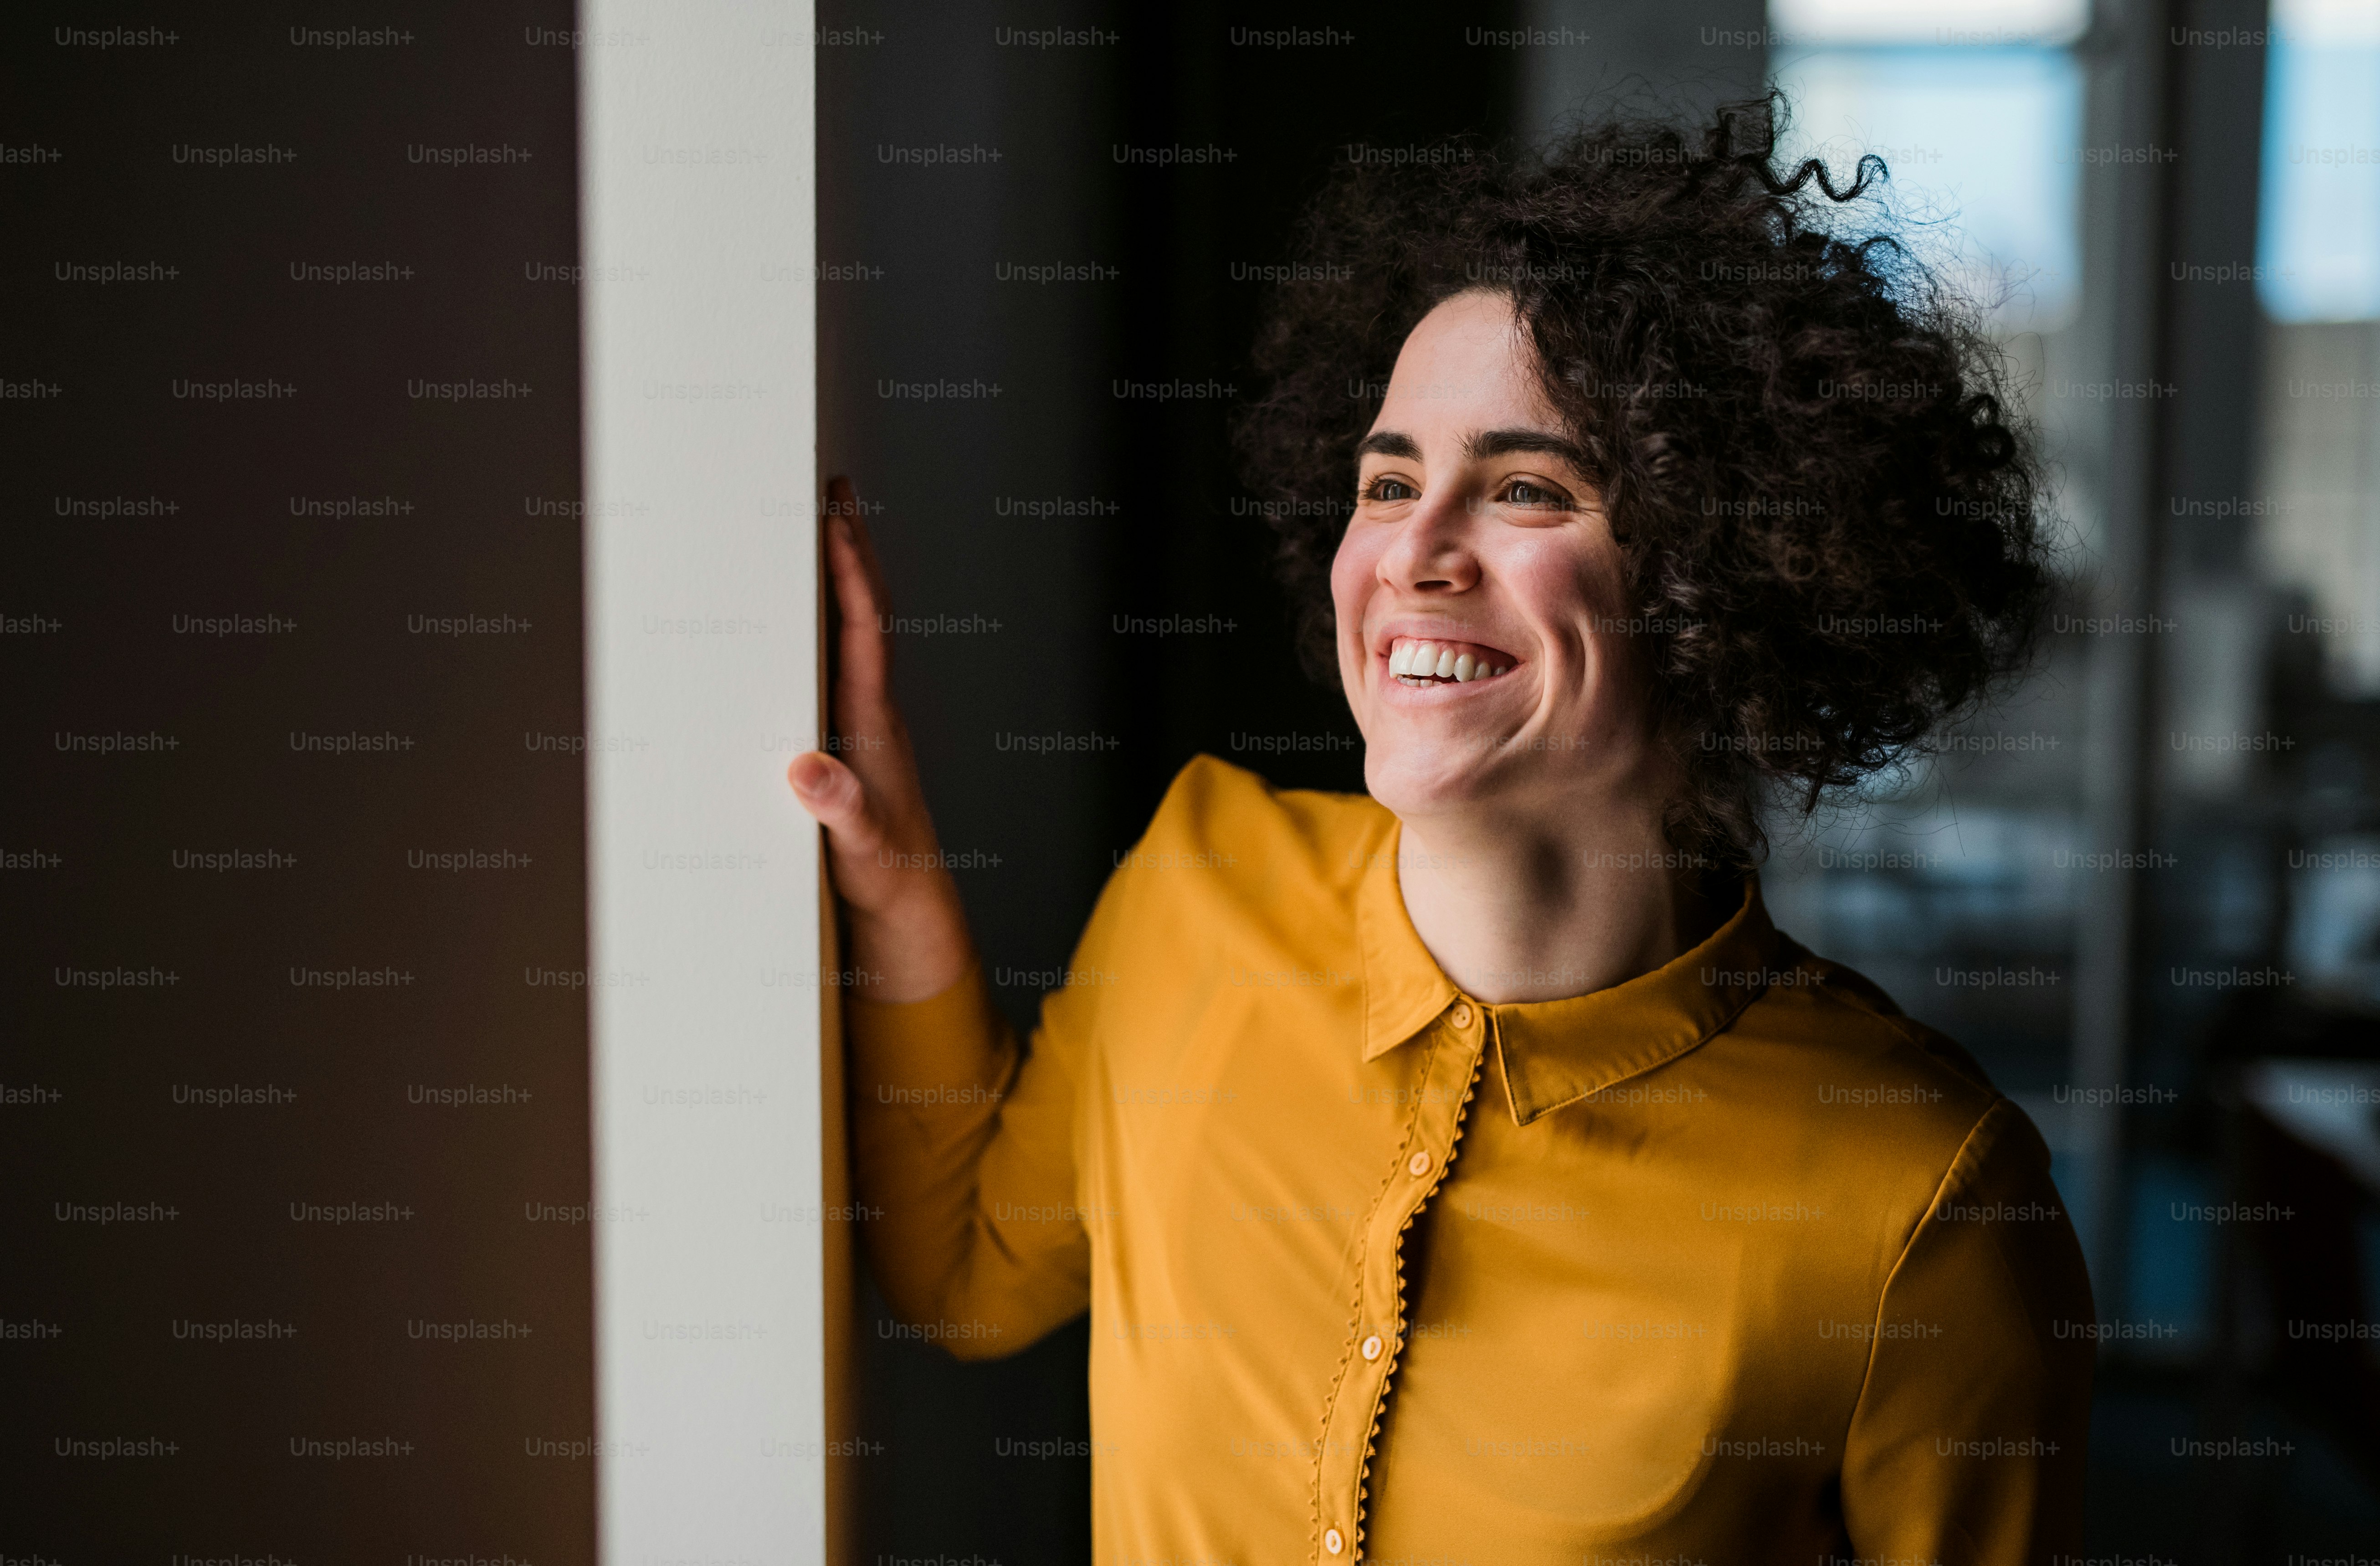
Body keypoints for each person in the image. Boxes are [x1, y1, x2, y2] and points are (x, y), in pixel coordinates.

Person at [790, 97, 2092, 1566]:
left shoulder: (1918, 1197)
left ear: (1724, 576)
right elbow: (971, 1272)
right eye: (1389, 481)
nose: (1413, 550)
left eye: (1527, 488)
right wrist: (894, 883)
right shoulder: (1200, 882)